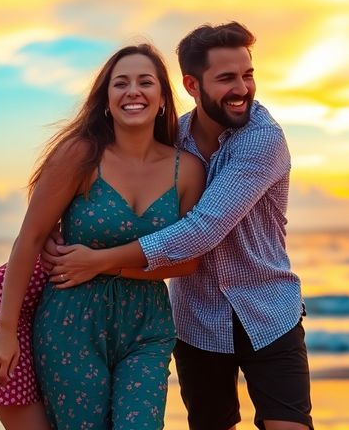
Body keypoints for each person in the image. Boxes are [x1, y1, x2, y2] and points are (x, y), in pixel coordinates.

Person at [43, 22, 312, 430]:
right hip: (198, 320)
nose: (242, 88)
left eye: (248, 75)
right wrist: (55, 224)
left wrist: (98, 261)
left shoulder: (262, 139)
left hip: (267, 311)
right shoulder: (174, 138)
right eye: (226, 78)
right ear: (191, 84)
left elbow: (201, 230)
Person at [0, 43, 205, 430]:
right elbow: (30, 239)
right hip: (70, 322)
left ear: (161, 98)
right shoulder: (80, 155)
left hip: (148, 325)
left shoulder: (188, 170)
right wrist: (5, 331)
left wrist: (100, 266)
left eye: (146, 82)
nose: (133, 92)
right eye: (120, 84)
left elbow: (188, 261)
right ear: (106, 101)